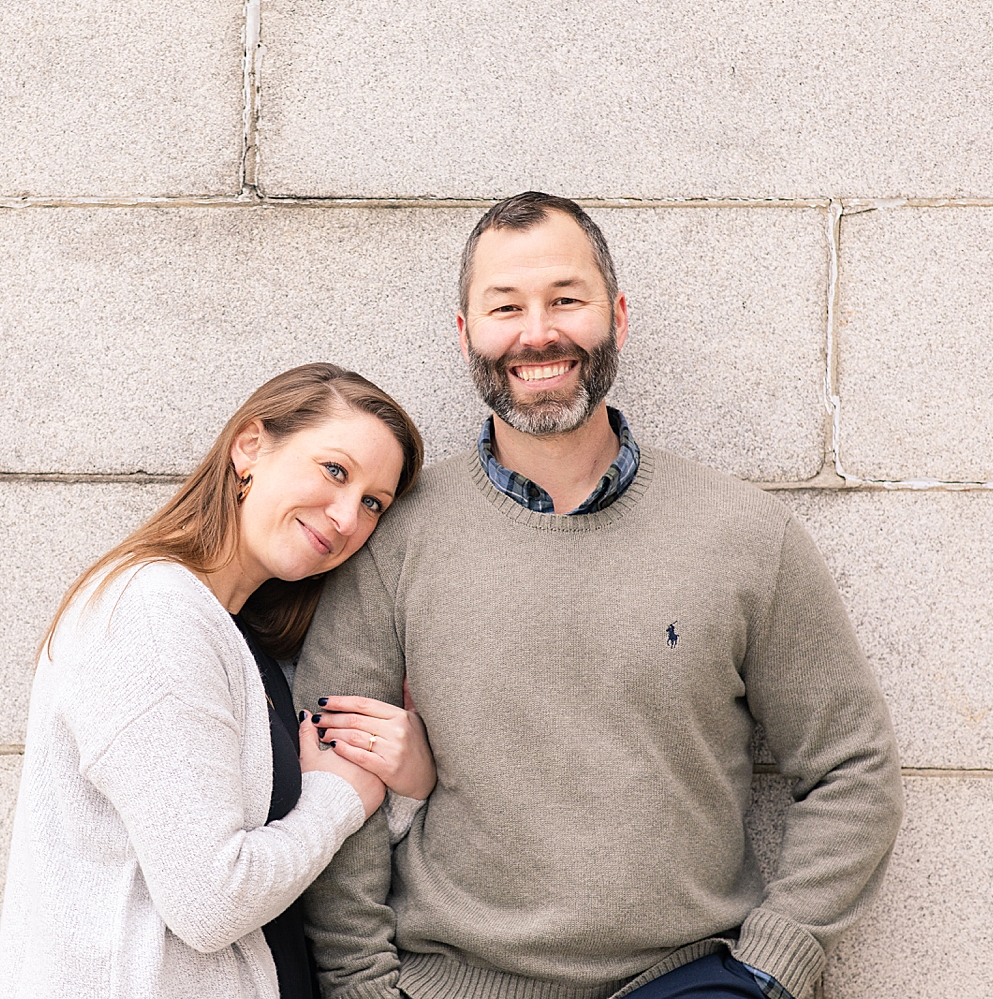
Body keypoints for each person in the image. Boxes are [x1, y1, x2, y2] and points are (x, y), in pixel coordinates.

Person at [295, 193, 904, 999]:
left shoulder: (746, 535)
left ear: (616, 314)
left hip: (687, 979)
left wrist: (770, 969)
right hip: (453, 982)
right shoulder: (394, 538)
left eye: (566, 300)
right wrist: (362, 984)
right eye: (505, 306)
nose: (537, 332)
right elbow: (335, 773)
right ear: (465, 331)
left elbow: (853, 767)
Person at [0, 363, 437, 999]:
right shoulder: (153, 615)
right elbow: (213, 903)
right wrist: (342, 799)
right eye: (334, 470)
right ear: (250, 447)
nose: (346, 517)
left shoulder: (237, 635)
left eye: (373, 503)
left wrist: (403, 790)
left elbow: (290, 851)